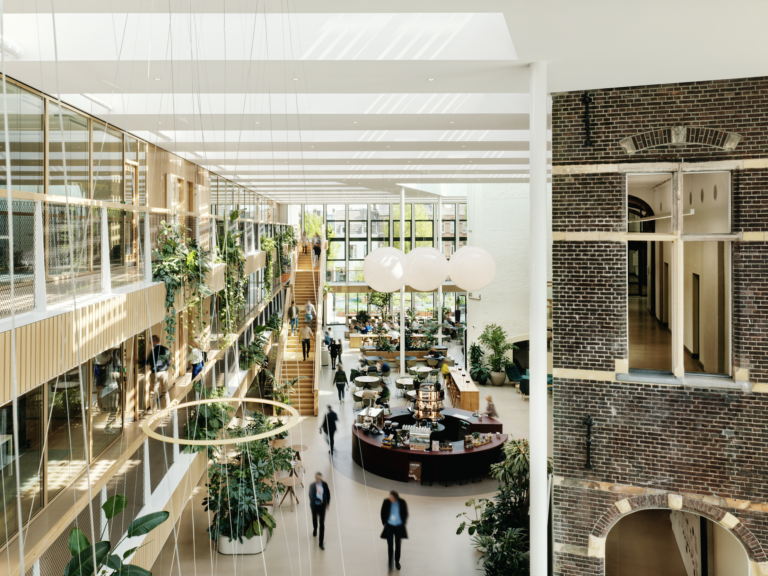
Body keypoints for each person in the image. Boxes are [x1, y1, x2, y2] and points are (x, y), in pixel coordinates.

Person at [381, 491, 408, 571]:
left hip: (398, 526)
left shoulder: (402, 502)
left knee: (398, 544)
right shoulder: (386, 501)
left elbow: (405, 513)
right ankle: (390, 562)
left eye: (391, 497)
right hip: (389, 526)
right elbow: (382, 512)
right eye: (390, 497)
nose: (390, 498)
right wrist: (384, 523)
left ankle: (397, 561)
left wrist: (402, 522)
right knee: (390, 544)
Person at [144, 335, 170, 413]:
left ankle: (154, 412)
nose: (150, 343)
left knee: (153, 393)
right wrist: (164, 369)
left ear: (155, 341)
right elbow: (168, 362)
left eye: (151, 341)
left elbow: (148, 362)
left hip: (155, 373)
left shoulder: (153, 351)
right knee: (165, 392)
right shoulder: (166, 349)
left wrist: (138, 360)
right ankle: (168, 410)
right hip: (164, 373)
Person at [309, 472, 330, 550]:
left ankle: (321, 542)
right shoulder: (312, 486)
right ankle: (315, 529)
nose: (319, 480)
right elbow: (311, 497)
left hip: (322, 507)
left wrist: (327, 503)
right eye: (317, 478)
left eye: (320, 478)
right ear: (315, 478)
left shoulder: (324, 484)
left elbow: (328, 493)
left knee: (322, 523)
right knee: (314, 519)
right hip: (314, 506)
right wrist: (319, 499)